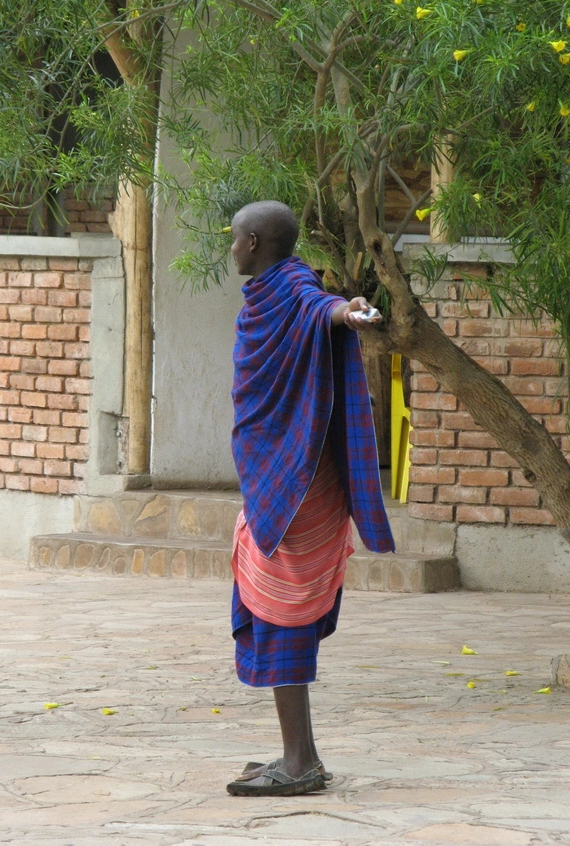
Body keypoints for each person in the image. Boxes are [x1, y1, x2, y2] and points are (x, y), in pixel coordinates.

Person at [226, 200, 395, 797]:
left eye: (234, 238)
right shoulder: (271, 289)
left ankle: (300, 763)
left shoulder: (295, 287)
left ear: (251, 242)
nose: (231, 247)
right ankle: (298, 753)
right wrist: (338, 311)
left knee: (282, 610)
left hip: (299, 485)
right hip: (284, 475)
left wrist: (346, 312)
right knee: (272, 602)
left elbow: (319, 308)